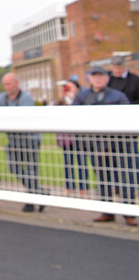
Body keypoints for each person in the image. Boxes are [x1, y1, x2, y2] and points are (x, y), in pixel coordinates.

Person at [74, 66, 134, 225]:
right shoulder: (82, 97)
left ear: (107, 78)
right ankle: (107, 211)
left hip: (118, 146)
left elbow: (128, 116)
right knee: (102, 178)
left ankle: (129, 213)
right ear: (90, 78)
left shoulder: (118, 96)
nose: (98, 79)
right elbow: (74, 117)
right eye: (95, 76)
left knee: (125, 178)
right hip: (95, 146)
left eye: (101, 76)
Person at [0, 72, 44, 212]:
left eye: (9, 84)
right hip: (14, 140)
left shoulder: (26, 98)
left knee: (30, 169)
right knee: (13, 166)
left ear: (17, 83)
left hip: (30, 140)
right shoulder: (2, 98)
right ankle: (39, 193)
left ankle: (31, 199)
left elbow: (22, 119)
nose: (7, 87)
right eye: (5, 84)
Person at [57, 79, 88, 196]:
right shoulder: (62, 101)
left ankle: (82, 187)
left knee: (81, 162)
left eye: (71, 87)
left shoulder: (81, 99)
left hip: (79, 136)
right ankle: (69, 187)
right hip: (66, 137)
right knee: (68, 162)